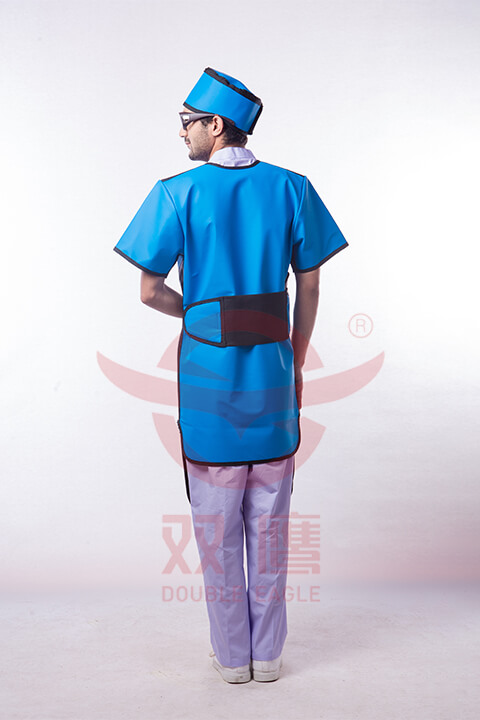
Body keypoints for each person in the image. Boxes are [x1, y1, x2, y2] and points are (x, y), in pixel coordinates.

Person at [114, 67, 348, 683]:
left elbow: (149, 291)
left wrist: (200, 313)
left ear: (215, 125)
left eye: (187, 122)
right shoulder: (293, 189)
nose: (182, 133)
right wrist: (296, 358)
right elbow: (310, 285)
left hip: (208, 382)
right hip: (272, 377)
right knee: (270, 522)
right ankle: (268, 657)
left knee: (217, 526)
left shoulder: (175, 193)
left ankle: (232, 657)